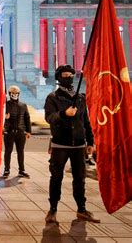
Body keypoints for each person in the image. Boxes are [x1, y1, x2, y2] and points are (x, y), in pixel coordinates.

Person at [44, 65, 100, 224]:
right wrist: (63, 114)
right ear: (59, 77)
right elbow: (49, 117)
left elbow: (86, 121)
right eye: (64, 75)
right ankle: (52, 210)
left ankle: (81, 209)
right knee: (56, 177)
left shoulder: (80, 98)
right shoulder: (52, 97)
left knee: (80, 178)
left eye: (70, 75)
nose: (68, 77)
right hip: (60, 144)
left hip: (79, 145)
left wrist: (90, 141)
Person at [3, 85, 31, 178]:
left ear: (19, 94)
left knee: (21, 152)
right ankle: (6, 170)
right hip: (9, 132)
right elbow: (0, 119)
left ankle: (21, 170)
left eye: (16, 93)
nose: (14, 94)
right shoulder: (5, 105)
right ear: (9, 93)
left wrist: (28, 131)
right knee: (8, 152)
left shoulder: (23, 105)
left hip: (20, 132)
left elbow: (27, 118)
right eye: (12, 93)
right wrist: (5, 120)